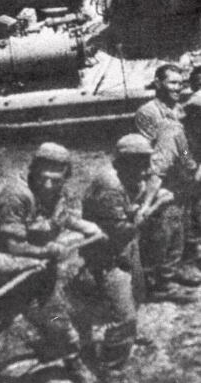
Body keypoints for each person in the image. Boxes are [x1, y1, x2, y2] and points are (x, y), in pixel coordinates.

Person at [0, 142, 99, 383]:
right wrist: (46, 251)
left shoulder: (58, 190)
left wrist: (86, 227)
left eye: (56, 179)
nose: (48, 185)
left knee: (57, 320)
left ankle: (73, 363)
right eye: (44, 178)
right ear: (34, 169)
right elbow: (11, 245)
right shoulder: (16, 195)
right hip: (5, 272)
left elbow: (61, 218)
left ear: (65, 175)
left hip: (39, 275)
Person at [78, 134, 153, 372]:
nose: (147, 169)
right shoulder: (110, 185)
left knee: (138, 292)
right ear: (125, 161)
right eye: (142, 162)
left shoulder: (122, 176)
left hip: (124, 247)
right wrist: (147, 211)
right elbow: (120, 230)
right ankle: (110, 364)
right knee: (123, 315)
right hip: (107, 257)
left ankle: (125, 339)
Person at [136, 93, 201, 298]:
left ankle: (177, 268)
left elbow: (186, 158)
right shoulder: (173, 132)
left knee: (184, 224)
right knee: (167, 226)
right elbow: (157, 172)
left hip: (183, 184)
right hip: (161, 186)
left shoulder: (191, 132)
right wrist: (146, 205)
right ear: (194, 116)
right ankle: (157, 282)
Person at [134, 63, 186, 142]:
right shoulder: (147, 112)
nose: (177, 88)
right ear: (158, 83)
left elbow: (184, 144)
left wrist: (186, 153)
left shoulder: (180, 109)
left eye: (180, 84)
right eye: (173, 83)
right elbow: (156, 145)